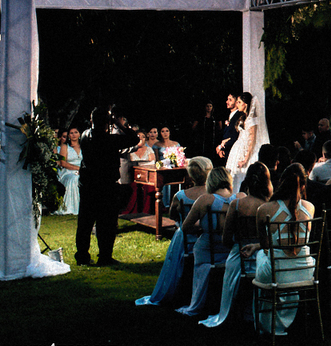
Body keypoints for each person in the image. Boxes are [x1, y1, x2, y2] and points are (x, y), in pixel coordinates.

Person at [201, 162, 273, 328]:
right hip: (265, 258)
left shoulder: (237, 205)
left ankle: (232, 312)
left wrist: (235, 247)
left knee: (232, 261)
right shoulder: (271, 206)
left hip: (239, 257)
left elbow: (226, 239)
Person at [135, 157, 213, 305]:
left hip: (186, 239)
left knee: (179, 233)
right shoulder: (214, 196)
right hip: (208, 239)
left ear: (190, 175)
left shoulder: (181, 196)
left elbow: (173, 216)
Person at [251, 164, 316, 335]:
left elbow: (265, 246)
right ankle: (287, 318)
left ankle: (267, 323)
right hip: (305, 271)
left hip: (277, 272)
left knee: (261, 256)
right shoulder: (310, 208)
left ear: (281, 182)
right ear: (303, 185)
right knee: (274, 261)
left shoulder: (265, 209)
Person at [75, 105, 141, 266]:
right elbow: (135, 139)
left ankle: (82, 256)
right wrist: (119, 124)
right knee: (107, 222)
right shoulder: (110, 139)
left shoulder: (85, 135)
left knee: (85, 221)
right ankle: (104, 256)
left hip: (87, 183)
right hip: (105, 185)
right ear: (107, 122)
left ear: (92, 120)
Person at [177, 165, 236, 317]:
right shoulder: (237, 199)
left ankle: (198, 299)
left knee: (199, 248)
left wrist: (203, 225)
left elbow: (185, 228)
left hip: (208, 249)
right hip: (230, 251)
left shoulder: (205, 200)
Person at [228, 92, 267, 194]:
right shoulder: (243, 117)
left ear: (245, 104)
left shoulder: (252, 120)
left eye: (239, 102)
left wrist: (245, 159)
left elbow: (252, 141)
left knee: (242, 175)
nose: (237, 104)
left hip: (246, 150)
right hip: (238, 147)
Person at [55, 126, 83, 215]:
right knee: (74, 179)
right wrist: (78, 168)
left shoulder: (84, 146)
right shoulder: (65, 146)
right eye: (71, 133)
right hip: (68, 171)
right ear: (69, 136)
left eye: (76, 132)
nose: (74, 135)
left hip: (82, 170)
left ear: (79, 134)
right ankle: (72, 208)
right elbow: (63, 163)